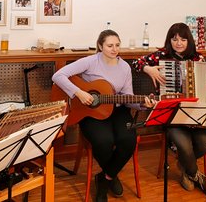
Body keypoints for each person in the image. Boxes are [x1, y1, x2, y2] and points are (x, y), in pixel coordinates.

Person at [52, 29, 155, 202]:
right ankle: (112, 176)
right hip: (90, 111)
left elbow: (128, 98)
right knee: (103, 142)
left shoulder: (124, 67)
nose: (114, 49)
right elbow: (58, 75)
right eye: (109, 46)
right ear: (100, 46)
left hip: (117, 110)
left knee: (128, 140)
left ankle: (105, 178)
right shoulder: (90, 61)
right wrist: (79, 93)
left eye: (117, 45)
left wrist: (142, 104)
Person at [132, 22, 206, 195]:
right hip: (173, 117)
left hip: (198, 117)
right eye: (175, 39)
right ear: (170, 40)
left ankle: (185, 167)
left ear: (188, 41)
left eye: (183, 39)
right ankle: (197, 176)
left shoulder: (198, 59)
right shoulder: (162, 55)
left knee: (205, 143)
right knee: (184, 145)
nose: (179, 43)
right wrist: (149, 69)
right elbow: (136, 63)